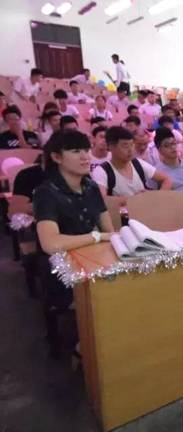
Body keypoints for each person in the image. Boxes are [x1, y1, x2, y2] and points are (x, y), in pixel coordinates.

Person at [33, 130, 114, 311]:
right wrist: (97, 237)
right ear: (56, 157)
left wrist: (104, 238)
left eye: (86, 150)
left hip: (93, 257)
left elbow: (108, 229)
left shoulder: (91, 186)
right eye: (76, 151)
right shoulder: (45, 192)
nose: (86, 157)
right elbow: (51, 244)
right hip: (62, 268)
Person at [92, 126, 171, 197]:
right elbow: (102, 200)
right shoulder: (101, 171)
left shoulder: (138, 163)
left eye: (132, 145)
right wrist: (134, 200)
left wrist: (156, 196)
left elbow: (166, 180)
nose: (130, 150)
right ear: (111, 147)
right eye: (125, 146)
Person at [152, 127, 183, 195]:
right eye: (167, 145)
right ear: (160, 150)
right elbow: (153, 195)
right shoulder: (156, 171)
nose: (173, 147)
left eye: (174, 143)